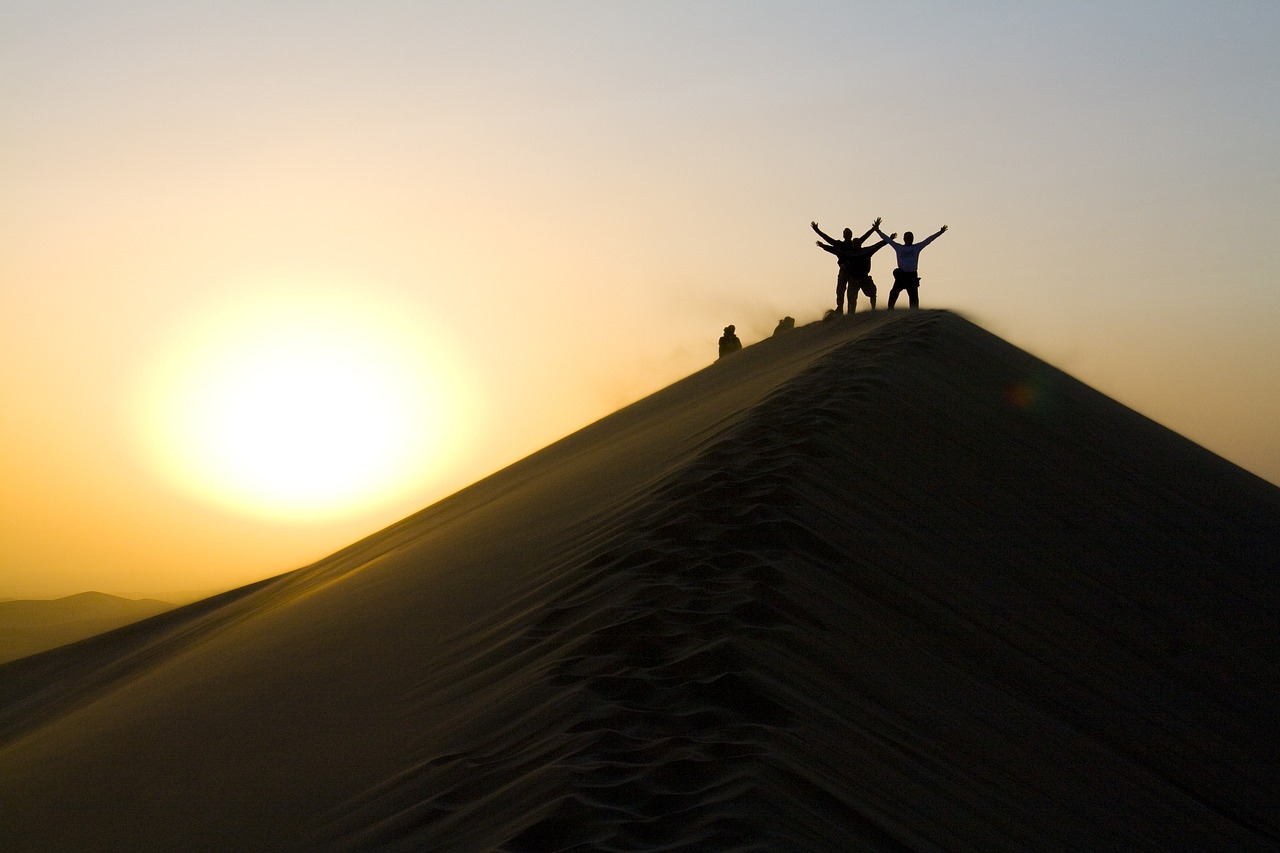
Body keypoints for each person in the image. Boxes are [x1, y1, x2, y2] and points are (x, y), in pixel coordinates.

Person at [812, 218, 895, 313]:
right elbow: (830, 242)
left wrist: (875, 229)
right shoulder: (841, 246)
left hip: (859, 275)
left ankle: (853, 312)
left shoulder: (857, 245)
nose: (848, 235)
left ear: (852, 236)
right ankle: (840, 309)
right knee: (841, 289)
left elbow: (872, 242)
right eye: (846, 234)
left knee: (858, 293)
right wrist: (819, 234)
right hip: (845, 270)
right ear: (843, 235)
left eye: (849, 234)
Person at [873, 222, 948, 309]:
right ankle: (890, 310)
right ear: (904, 239)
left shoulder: (916, 247)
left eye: (910, 237)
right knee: (894, 293)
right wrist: (878, 230)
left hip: (912, 276)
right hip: (901, 276)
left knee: (914, 298)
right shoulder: (899, 247)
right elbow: (887, 240)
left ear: (913, 239)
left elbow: (928, 240)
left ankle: (914, 314)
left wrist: (940, 232)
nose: (909, 239)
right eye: (907, 237)